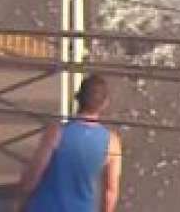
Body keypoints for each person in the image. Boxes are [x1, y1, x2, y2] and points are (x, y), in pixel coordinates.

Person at [14, 75, 122, 212]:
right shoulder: (112, 143)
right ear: (105, 104)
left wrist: (20, 202)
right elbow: (110, 192)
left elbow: (33, 175)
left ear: (78, 98)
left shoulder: (56, 132)